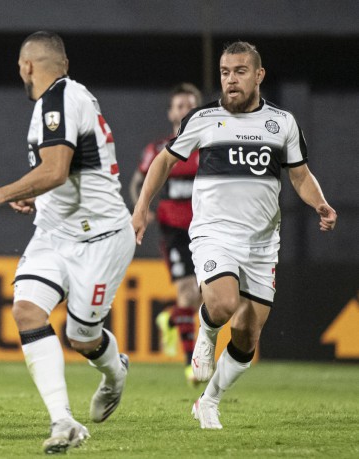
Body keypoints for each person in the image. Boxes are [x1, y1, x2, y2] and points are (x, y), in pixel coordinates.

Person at [132, 41, 336, 430]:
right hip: (213, 233)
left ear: (258, 75)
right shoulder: (204, 118)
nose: (231, 79)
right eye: (225, 72)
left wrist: (320, 204)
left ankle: (208, 402)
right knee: (223, 304)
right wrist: (142, 207)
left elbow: (299, 175)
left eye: (240, 71)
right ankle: (204, 340)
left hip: (262, 243)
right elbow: (163, 161)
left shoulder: (282, 123)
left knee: (247, 335)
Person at [0, 31, 134, 454]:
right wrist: (36, 195)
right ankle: (63, 420)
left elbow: (55, 169)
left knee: (82, 337)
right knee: (26, 310)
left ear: (26, 66)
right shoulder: (61, 99)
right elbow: (69, 171)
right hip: (55, 233)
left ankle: (115, 374)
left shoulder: (58, 100)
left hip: (102, 237)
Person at [128, 83, 203, 385]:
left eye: (189, 105)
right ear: (171, 112)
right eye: (179, 105)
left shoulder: (209, 148)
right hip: (174, 231)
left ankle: (171, 318)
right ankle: (191, 365)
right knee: (187, 293)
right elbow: (137, 183)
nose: (184, 110)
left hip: (207, 230)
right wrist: (142, 207)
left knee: (203, 298)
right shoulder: (158, 150)